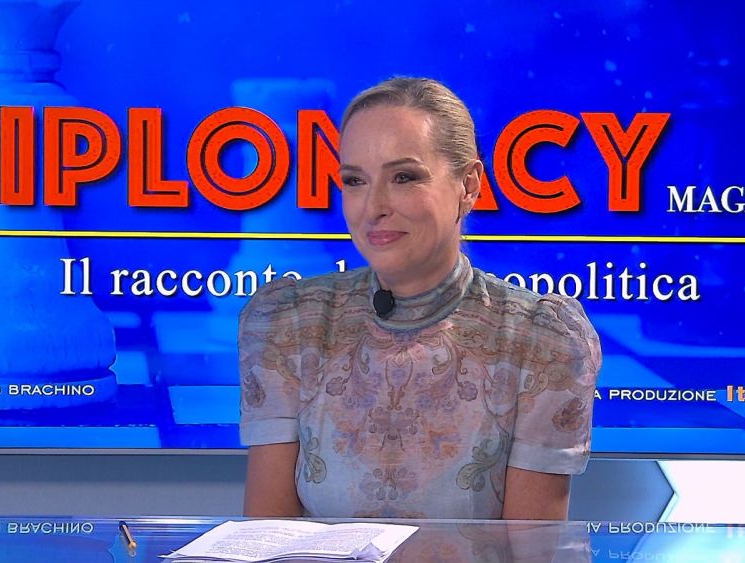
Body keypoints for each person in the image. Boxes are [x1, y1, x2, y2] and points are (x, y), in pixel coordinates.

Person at [239, 77, 601, 520]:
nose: (373, 206)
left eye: (404, 177)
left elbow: (533, 548)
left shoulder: (540, 340)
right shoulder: (290, 324)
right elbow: (268, 537)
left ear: (469, 185)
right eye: (355, 180)